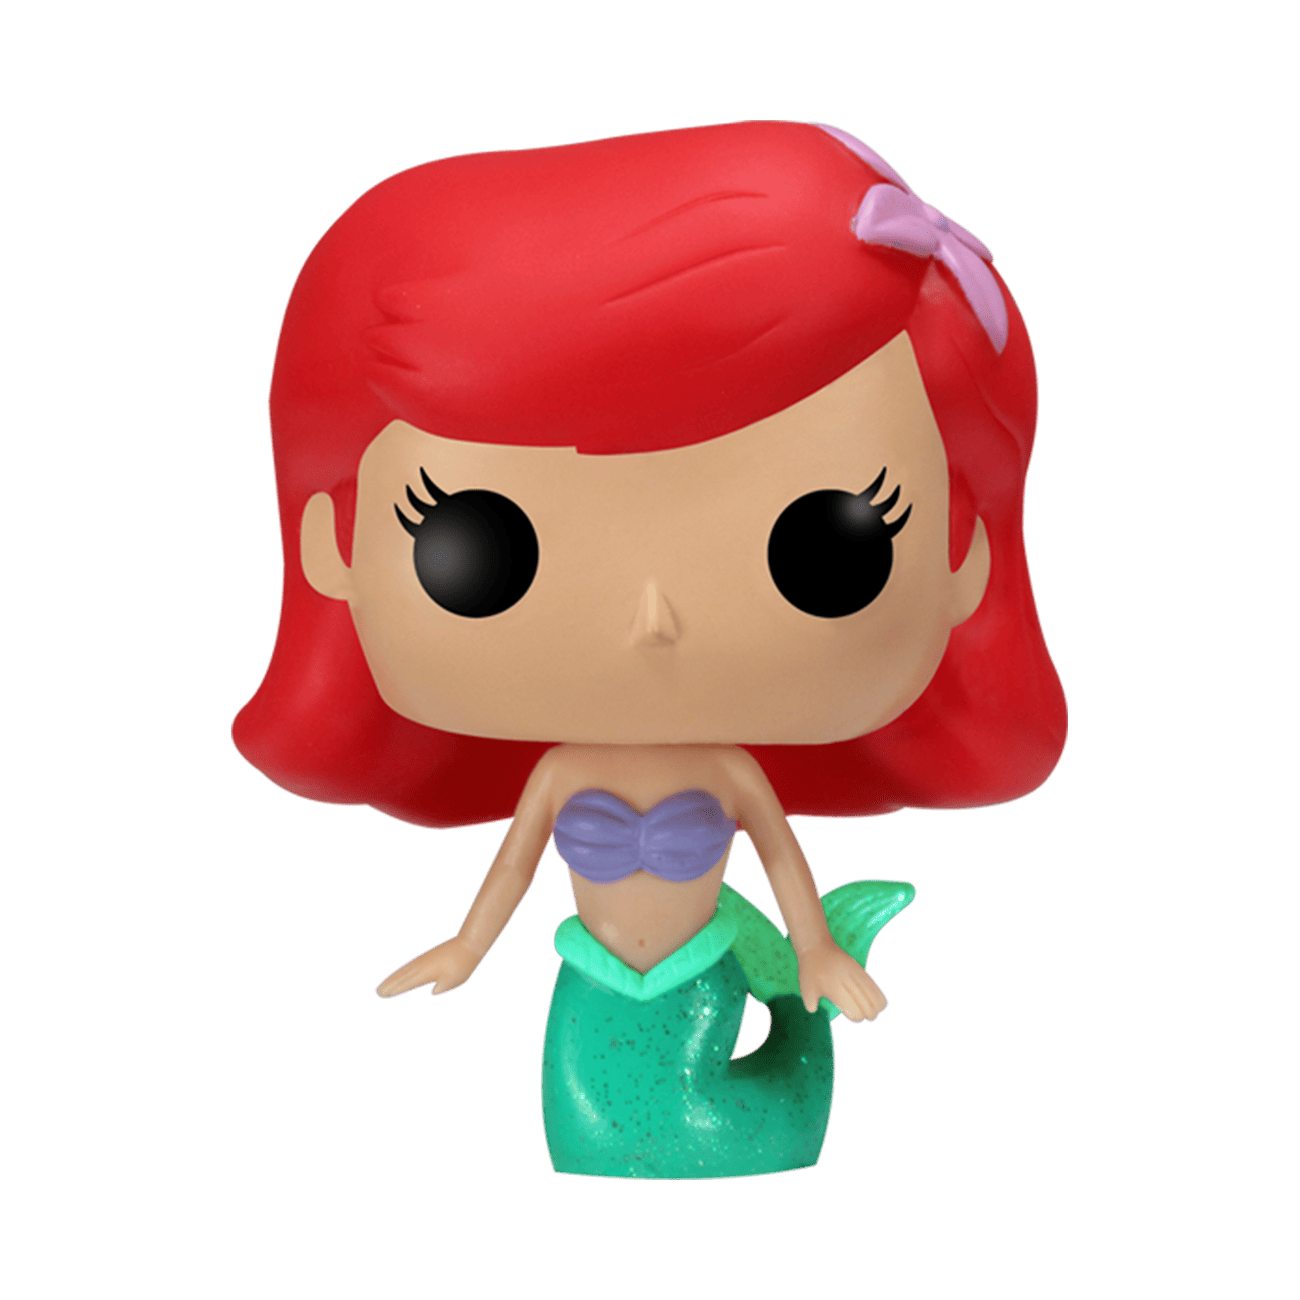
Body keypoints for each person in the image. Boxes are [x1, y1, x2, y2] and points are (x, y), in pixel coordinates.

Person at [233, 119, 1067, 1178]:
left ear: (963, 553)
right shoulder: (564, 772)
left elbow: (780, 861)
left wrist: (815, 951)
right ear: (333, 543)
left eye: (826, 544)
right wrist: (467, 946)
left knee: (719, 1124)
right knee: (592, 1121)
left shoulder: (724, 773)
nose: (652, 615)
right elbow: (512, 870)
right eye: (480, 543)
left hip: (707, 974)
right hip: (592, 977)